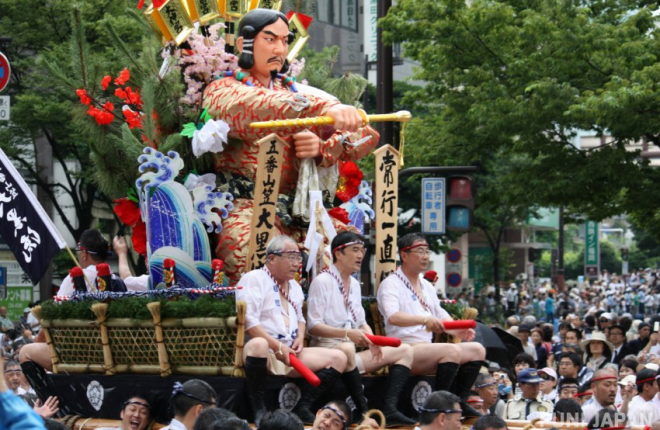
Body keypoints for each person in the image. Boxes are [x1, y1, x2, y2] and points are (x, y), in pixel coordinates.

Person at [201, 8, 379, 282]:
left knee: (341, 255)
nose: (279, 48)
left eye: (285, 41)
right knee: (253, 259)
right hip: (249, 207)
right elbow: (253, 108)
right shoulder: (222, 89)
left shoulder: (297, 92)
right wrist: (326, 108)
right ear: (243, 44)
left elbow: (366, 136)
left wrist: (323, 147)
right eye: (270, 39)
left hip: (301, 212)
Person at [236, 235, 347, 424]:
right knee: (258, 344)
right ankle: (259, 409)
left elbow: (301, 319)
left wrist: (300, 336)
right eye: (291, 257)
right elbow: (250, 322)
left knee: (339, 357)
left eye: (298, 258)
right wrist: (277, 347)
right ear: (272, 258)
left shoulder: (294, 286)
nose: (297, 263)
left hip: (290, 352)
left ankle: (303, 407)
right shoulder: (254, 278)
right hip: (266, 353)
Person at [307, 231, 415, 424]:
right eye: (355, 250)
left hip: (350, 354)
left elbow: (361, 322)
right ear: (338, 253)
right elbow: (313, 326)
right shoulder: (322, 281)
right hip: (327, 353)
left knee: (405, 350)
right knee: (347, 349)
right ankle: (365, 411)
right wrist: (348, 333)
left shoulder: (355, 285)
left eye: (362, 251)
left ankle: (389, 409)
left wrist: (373, 341)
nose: (360, 256)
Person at [377, 233, 487, 416]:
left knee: (477, 350)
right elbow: (393, 317)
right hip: (403, 348)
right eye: (420, 251)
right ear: (404, 255)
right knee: (451, 350)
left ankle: (459, 400)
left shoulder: (426, 285)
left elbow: (439, 313)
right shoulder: (390, 284)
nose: (426, 256)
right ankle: (440, 405)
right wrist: (424, 320)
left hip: (426, 349)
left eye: (427, 251)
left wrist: (456, 328)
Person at [57, 229, 127, 296]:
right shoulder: (119, 282)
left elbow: (58, 305)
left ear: (84, 254)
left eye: (78, 250)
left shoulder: (73, 279)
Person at [0, 356, 46, 430]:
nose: (15, 377)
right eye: (11, 374)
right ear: (2, 375)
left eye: (18, 374)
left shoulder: (32, 397)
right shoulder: (2, 401)